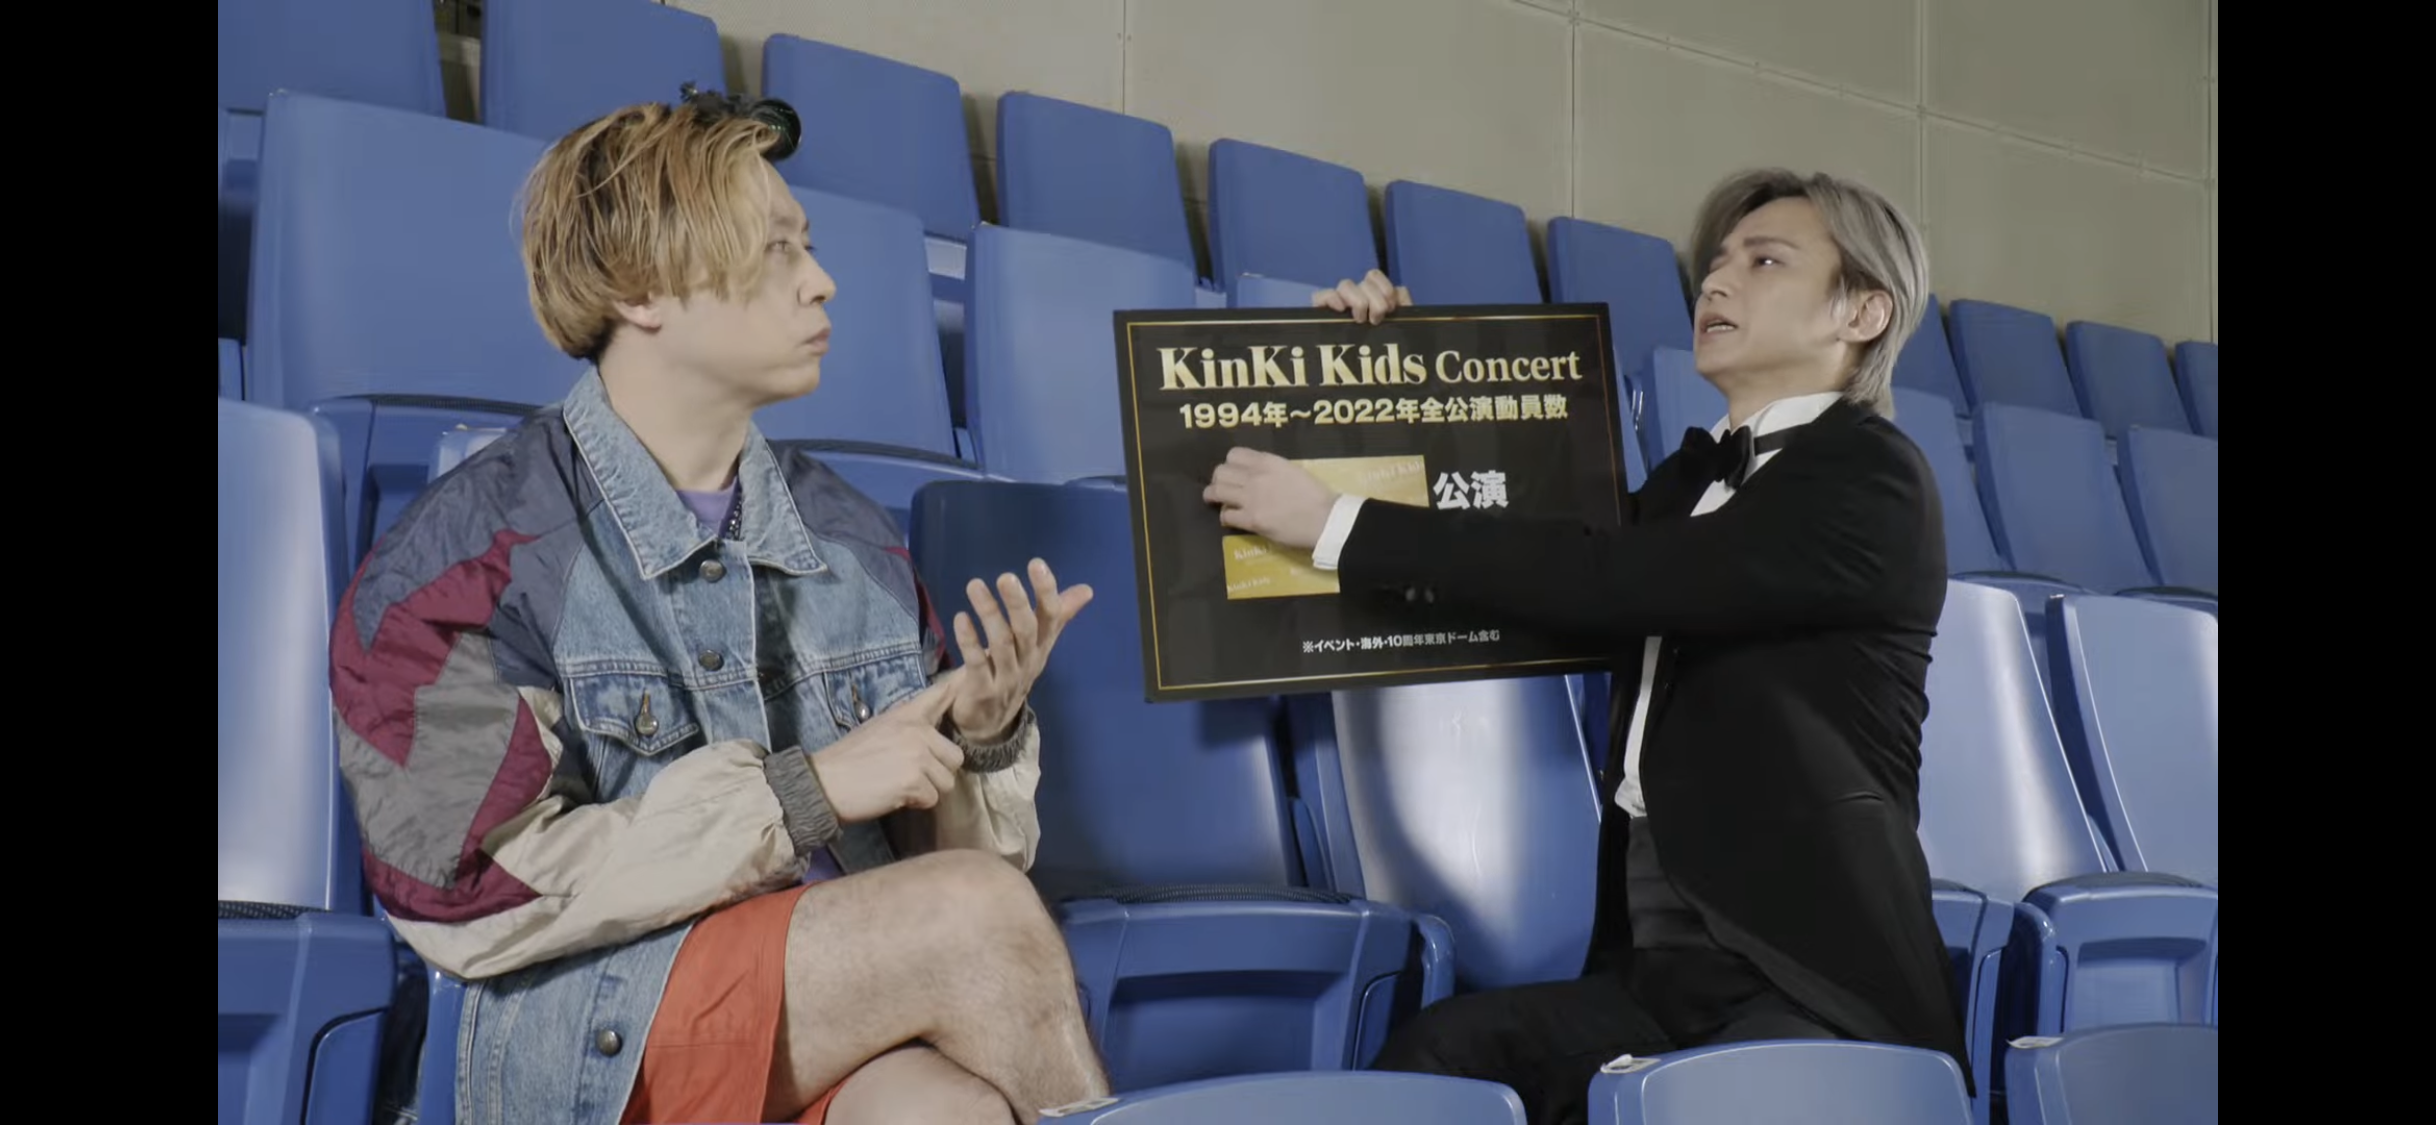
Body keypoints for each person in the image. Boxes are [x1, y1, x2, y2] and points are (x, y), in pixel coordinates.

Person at [332, 88, 1110, 1125]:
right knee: (972, 917)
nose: (821, 280)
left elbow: (940, 878)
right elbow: (463, 888)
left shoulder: (854, 541)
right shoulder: (461, 558)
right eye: (778, 248)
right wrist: (800, 795)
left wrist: (976, 739)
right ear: (642, 288)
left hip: (821, 1002)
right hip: (599, 1025)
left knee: (945, 1110)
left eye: (807, 245)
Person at [1206, 169, 1967, 1125]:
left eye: (1765, 261)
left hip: (1813, 979)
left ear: (1862, 311)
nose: (1717, 281)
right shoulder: (1687, 484)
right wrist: (1381, 370)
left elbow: (1602, 574)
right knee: (1440, 1061)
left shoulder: (1872, 478)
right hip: (1658, 974)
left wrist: (1340, 524)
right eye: (1717, 261)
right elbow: (1521, 557)